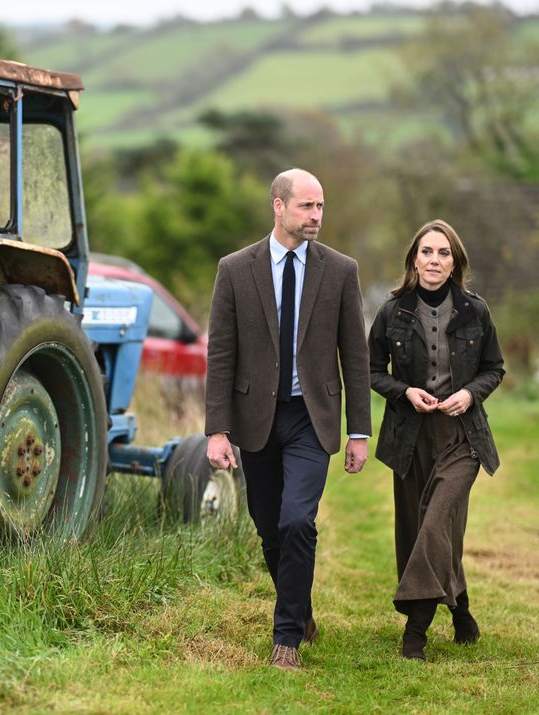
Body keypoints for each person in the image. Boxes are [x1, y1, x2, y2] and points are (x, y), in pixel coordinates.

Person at [204, 168, 372, 671]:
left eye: (321, 206)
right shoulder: (235, 269)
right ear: (278, 206)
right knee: (269, 528)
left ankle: (286, 641)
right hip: (255, 417)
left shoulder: (341, 270)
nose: (316, 215)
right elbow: (221, 353)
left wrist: (358, 431)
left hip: (310, 418)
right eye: (306, 206)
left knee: (298, 520)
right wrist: (216, 428)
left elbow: (355, 356)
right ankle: (302, 610)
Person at [368, 219, 504, 662]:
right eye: (427, 252)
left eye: (444, 253)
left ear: (454, 262)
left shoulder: (475, 311)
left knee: (437, 520)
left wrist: (469, 394)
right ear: (414, 259)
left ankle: (416, 630)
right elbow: (370, 372)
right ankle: (461, 609)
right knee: (422, 531)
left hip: (463, 437)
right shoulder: (392, 312)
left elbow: (493, 368)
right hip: (410, 437)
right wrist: (404, 391)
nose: (434, 260)